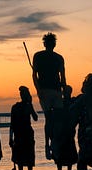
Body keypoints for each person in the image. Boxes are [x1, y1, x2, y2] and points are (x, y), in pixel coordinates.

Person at [32, 32, 66, 160]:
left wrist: (38, 90)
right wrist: (39, 90)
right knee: (51, 119)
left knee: (53, 119)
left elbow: (62, 77)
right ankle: (48, 145)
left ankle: (52, 144)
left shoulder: (57, 57)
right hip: (48, 91)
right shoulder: (42, 56)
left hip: (53, 91)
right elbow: (35, 75)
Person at [9, 86, 39, 170]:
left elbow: (12, 125)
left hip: (22, 134)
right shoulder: (25, 106)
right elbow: (35, 118)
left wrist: (10, 138)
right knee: (27, 157)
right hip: (25, 134)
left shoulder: (17, 107)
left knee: (23, 157)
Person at [51, 85, 78, 170]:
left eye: (68, 92)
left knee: (69, 156)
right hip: (61, 131)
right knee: (60, 157)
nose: (66, 93)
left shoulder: (72, 102)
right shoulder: (60, 102)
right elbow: (55, 117)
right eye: (65, 91)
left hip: (69, 131)